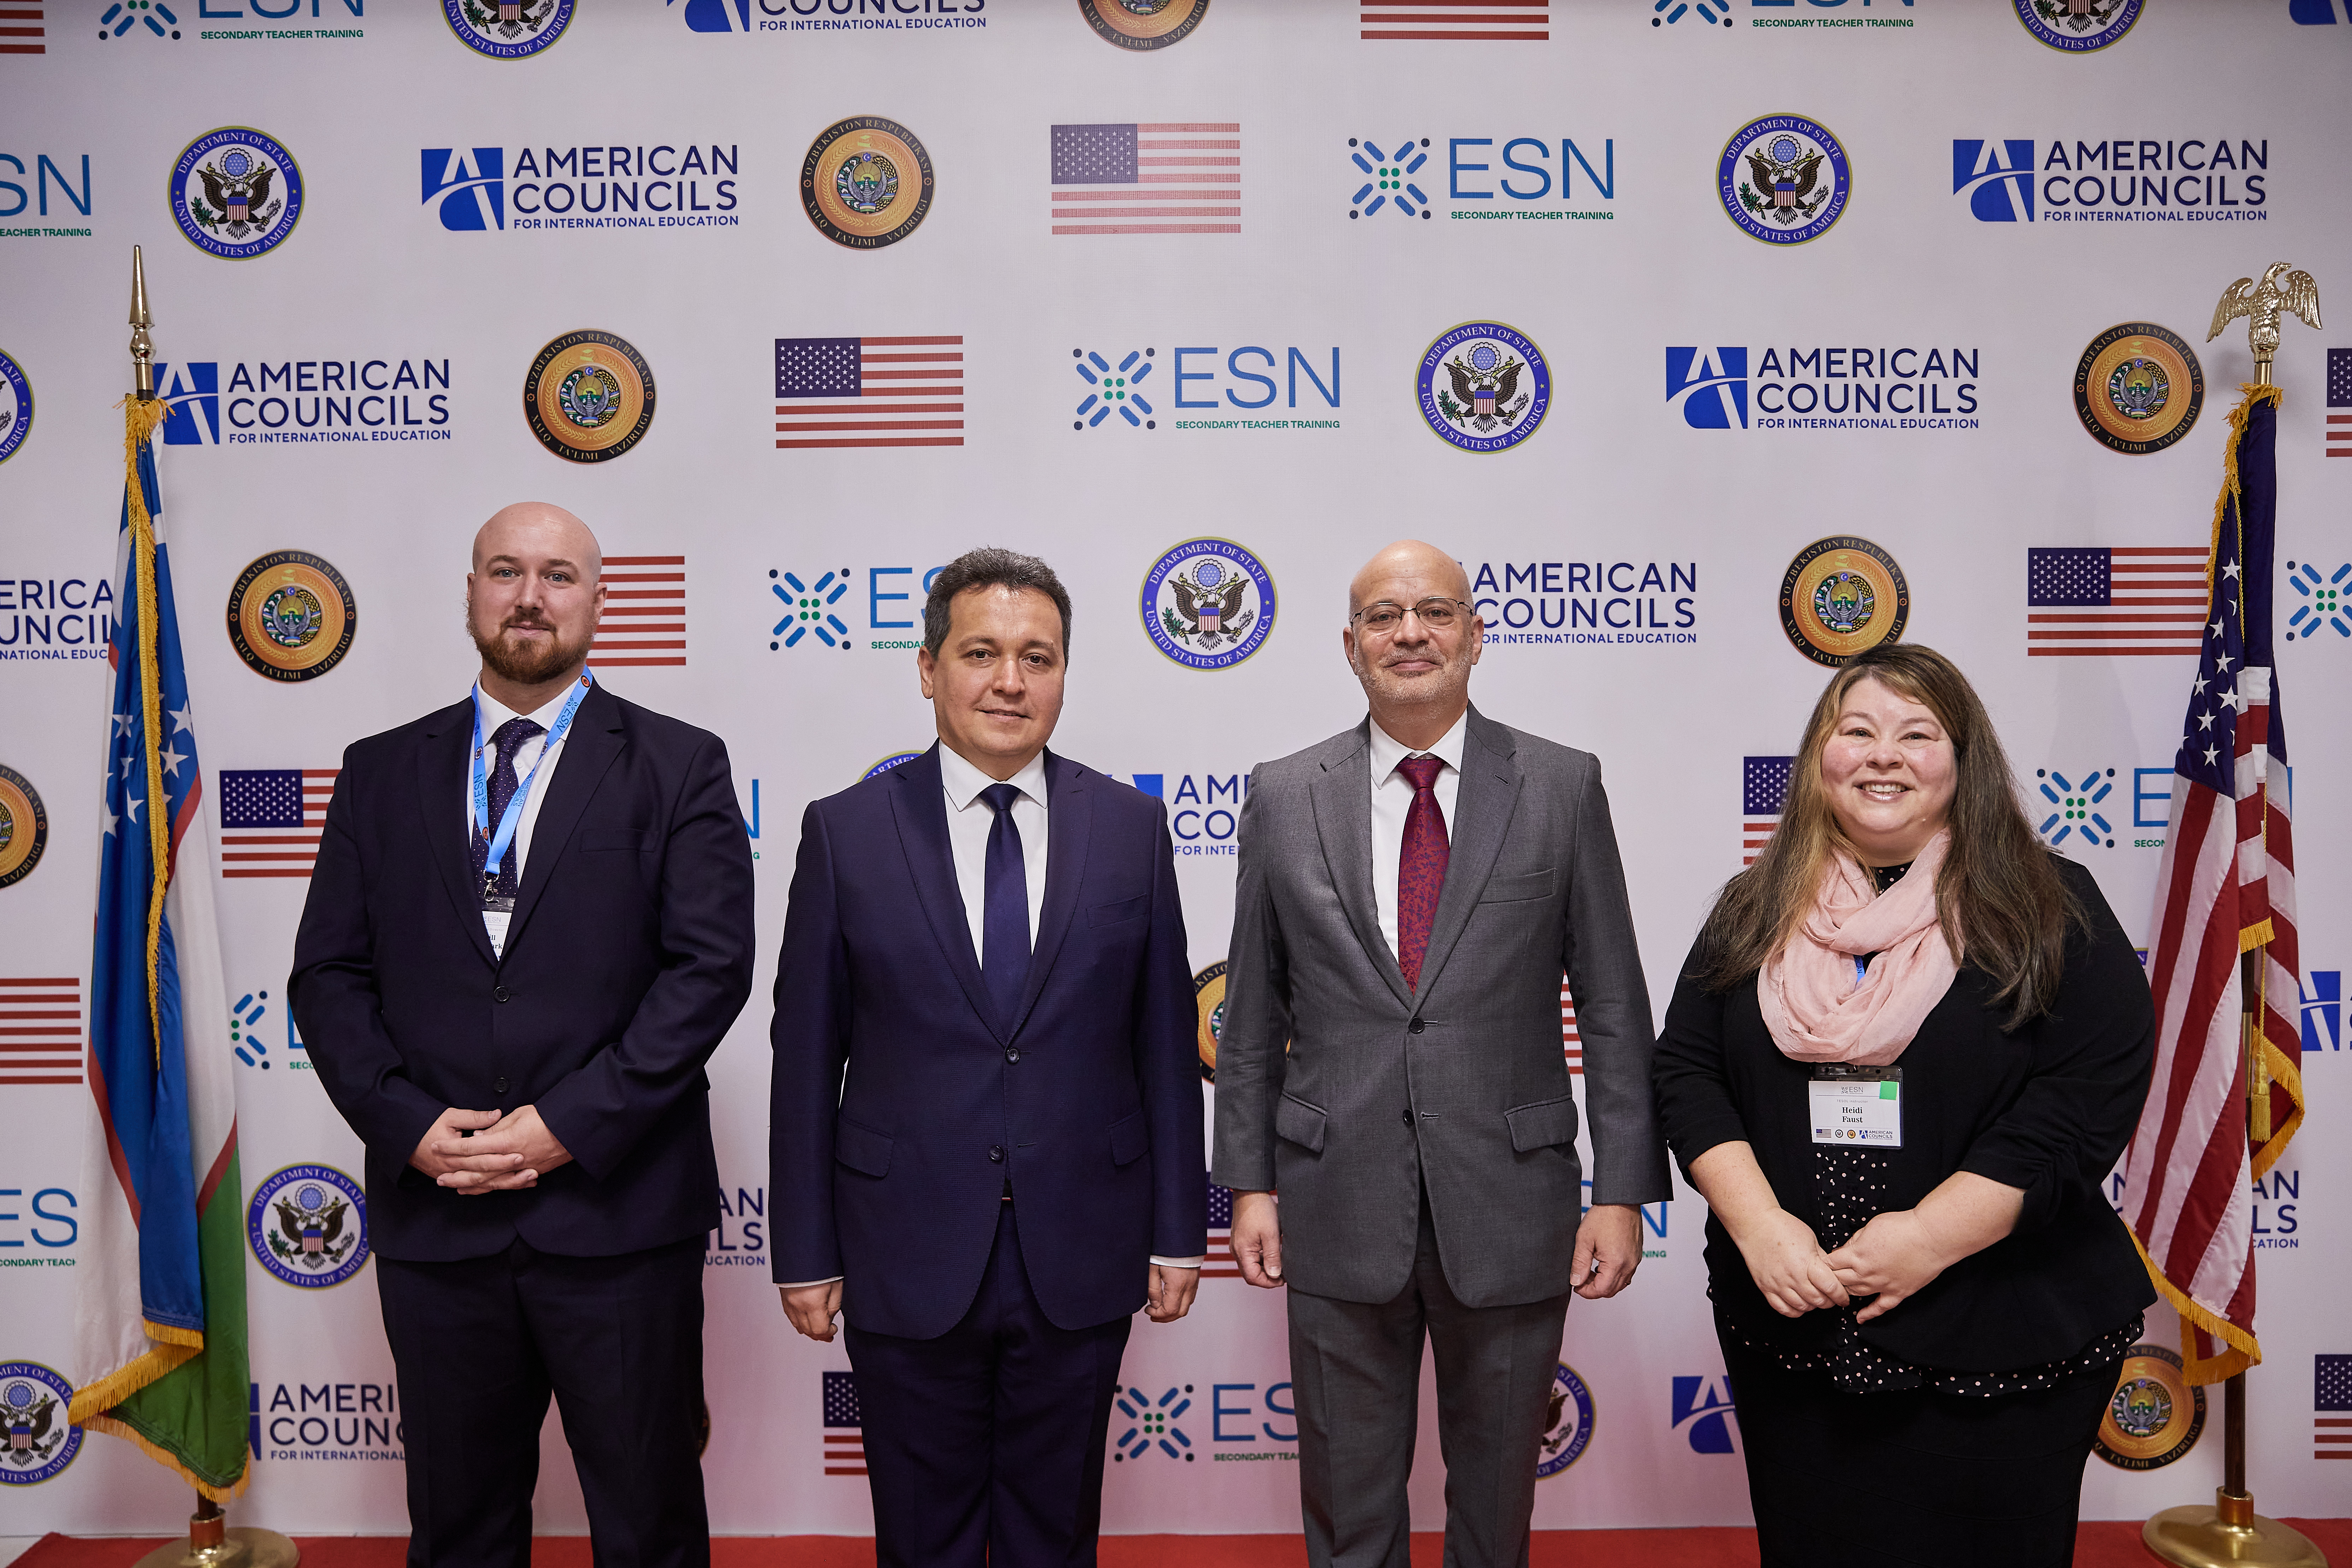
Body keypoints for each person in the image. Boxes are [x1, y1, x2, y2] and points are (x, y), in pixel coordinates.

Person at [290, 503, 755, 1568]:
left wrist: (564, 1126)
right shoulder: (378, 771)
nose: (530, 597)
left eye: (558, 575)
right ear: (469, 594)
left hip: (618, 1217)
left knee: (647, 1524)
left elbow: (708, 971)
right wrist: (408, 1127)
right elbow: (327, 974)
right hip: (436, 1218)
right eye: (506, 572)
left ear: (599, 601)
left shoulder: (679, 765)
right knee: (459, 1531)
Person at [1212, 539, 1668, 1568]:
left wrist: (1619, 1192)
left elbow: (1610, 1000)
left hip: (1512, 1198)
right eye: (1381, 616)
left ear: (1473, 633)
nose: (1408, 633)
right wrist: (1246, 1183)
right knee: (1347, 1507)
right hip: (1333, 1198)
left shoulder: (1560, 784)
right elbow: (1250, 1015)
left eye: (1432, 611)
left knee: (1496, 1505)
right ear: (1348, 644)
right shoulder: (1283, 794)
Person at [1651, 642, 2156, 1567]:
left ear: (1962, 765)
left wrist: (1928, 1237)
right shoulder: (1749, 913)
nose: (1883, 754)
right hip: (1794, 1331)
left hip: (2005, 1323)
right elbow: (1686, 1073)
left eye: (1916, 733)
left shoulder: (2048, 906)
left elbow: (2084, 1097)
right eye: (1856, 731)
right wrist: (1760, 1228)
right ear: (1818, 760)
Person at [769, 547, 1204, 1568]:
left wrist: (1178, 1232)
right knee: (923, 1540)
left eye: (1037, 657)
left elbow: (1161, 1046)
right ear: (928, 669)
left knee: (1057, 1536)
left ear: (1062, 672)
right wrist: (804, 1246)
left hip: (1082, 1251)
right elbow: (804, 1055)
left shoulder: (1132, 829)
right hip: (901, 1248)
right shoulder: (845, 834)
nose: (1010, 680)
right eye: (980, 653)